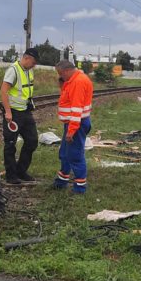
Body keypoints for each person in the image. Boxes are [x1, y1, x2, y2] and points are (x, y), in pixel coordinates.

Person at [53, 60, 94, 194]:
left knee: (75, 155)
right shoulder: (73, 80)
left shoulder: (78, 82)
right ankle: (61, 181)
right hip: (73, 123)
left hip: (76, 124)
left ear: (66, 71)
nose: (60, 76)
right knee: (65, 153)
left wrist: (71, 131)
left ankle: (80, 187)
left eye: (61, 74)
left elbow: (77, 109)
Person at [0, 48, 40, 184]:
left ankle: (21, 171)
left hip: (25, 112)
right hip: (13, 113)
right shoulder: (13, 70)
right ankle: (11, 175)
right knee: (10, 144)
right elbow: (4, 91)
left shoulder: (29, 70)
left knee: (32, 140)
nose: (34, 65)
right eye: (33, 62)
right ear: (26, 58)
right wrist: (8, 112)